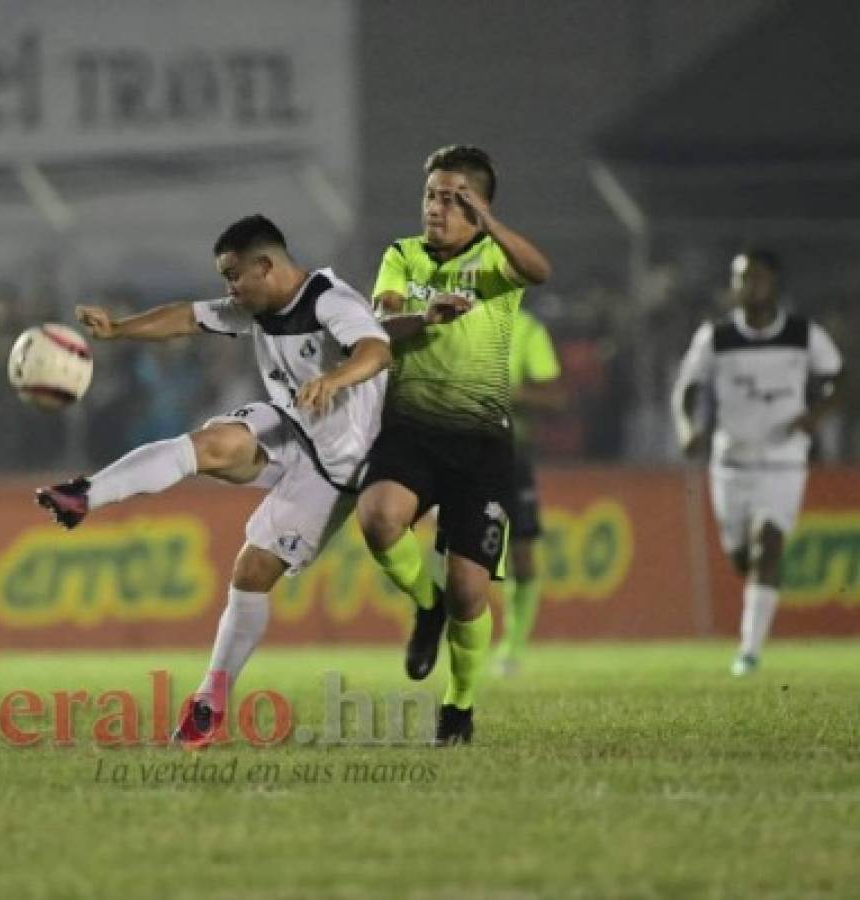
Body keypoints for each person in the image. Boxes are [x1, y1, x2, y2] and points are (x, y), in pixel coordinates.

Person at [34, 214, 395, 748]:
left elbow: (376, 350)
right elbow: (187, 317)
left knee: (250, 573)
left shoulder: (329, 301)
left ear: (265, 266)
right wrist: (119, 329)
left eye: (233, 276)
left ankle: (210, 700)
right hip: (294, 424)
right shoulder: (259, 305)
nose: (228, 289)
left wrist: (334, 378)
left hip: (340, 466)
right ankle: (86, 494)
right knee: (213, 444)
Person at [357, 145, 551, 745]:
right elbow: (378, 325)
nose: (434, 209)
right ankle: (424, 602)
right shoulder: (402, 255)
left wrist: (488, 222)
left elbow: (540, 270)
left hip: (481, 445)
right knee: (378, 520)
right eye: (430, 196)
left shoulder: (496, 261)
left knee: (472, 590)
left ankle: (458, 708)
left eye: (451, 198)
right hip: (411, 429)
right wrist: (427, 317)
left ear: (477, 205)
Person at [671, 249, 842, 676]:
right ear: (734, 286)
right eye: (742, 279)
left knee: (769, 544)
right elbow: (686, 389)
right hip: (731, 463)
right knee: (742, 558)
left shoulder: (804, 334)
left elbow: (840, 376)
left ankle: (749, 652)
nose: (751, 287)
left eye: (759, 278)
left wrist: (816, 414)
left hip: (784, 461)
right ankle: (750, 611)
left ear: (775, 283)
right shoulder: (716, 337)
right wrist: (687, 429)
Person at [493, 308, 564, 675]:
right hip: (458, 455)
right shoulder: (448, 321)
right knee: (455, 554)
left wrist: (511, 395)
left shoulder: (528, 330)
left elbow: (554, 398)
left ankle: (512, 647)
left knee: (521, 557)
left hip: (512, 456)